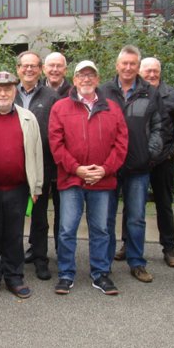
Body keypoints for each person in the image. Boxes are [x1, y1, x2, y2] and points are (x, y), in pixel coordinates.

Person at [49, 61, 128, 295]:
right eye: (81, 76)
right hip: (71, 180)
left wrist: (104, 169)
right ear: (74, 80)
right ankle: (65, 273)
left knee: (101, 229)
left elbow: (121, 144)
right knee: (66, 229)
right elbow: (56, 144)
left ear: (97, 78)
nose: (86, 80)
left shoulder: (112, 108)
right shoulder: (60, 107)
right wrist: (77, 169)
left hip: (102, 181)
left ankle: (100, 273)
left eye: (90, 75)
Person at [0, 72, 43, 300]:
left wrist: (37, 187)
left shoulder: (28, 118)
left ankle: (14, 276)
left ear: (15, 91)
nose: (3, 93)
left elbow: (36, 154)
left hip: (18, 189)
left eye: (8, 89)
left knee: (14, 235)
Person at [99, 45, 163, 283]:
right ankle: (103, 264)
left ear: (138, 67)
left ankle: (137, 262)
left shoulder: (149, 92)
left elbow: (159, 126)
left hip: (138, 166)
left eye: (132, 64)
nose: (128, 68)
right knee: (106, 217)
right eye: (124, 63)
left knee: (136, 217)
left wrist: (150, 154)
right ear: (117, 65)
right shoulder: (103, 91)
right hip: (109, 167)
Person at [15, 51, 59, 281]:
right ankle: (12, 259)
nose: (29, 70)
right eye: (25, 66)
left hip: (42, 166)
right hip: (13, 167)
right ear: (18, 69)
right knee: (13, 216)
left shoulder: (51, 96)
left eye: (33, 66)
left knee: (39, 216)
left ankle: (41, 258)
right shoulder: (8, 93)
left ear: (40, 69)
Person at [140, 56, 174, 268]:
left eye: (155, 70)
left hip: (163, 160)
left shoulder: (173, 96)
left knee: (164, 205)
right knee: (133, 205)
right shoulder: (134, 94)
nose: (151, 74)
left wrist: (171, 152)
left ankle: (169, 247)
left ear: (160, 71)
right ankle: (128, 244)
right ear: (140, 72)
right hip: (138, 160)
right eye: (147, 70)